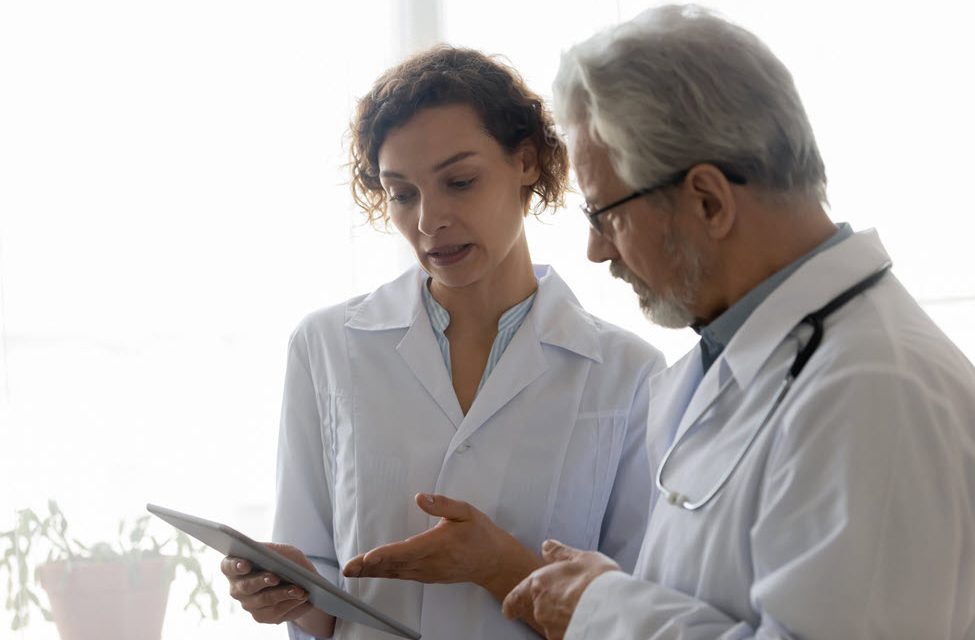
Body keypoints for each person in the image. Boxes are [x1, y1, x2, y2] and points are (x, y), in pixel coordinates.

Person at [501, 5, 975, 639]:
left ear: (708, 200)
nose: (597, 251)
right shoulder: (743, 354)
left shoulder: (874, 391)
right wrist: (611, 594)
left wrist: (604, 614)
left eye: (605, 215)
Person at [220, 46, 665, 640]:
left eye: (460, 181)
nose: (429, 221)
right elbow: (325, 606)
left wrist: (497, 567)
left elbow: (633, 623)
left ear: (526, 161)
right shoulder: (325, 347)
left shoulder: (628, 375)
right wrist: (292, 594)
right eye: (402, 194)